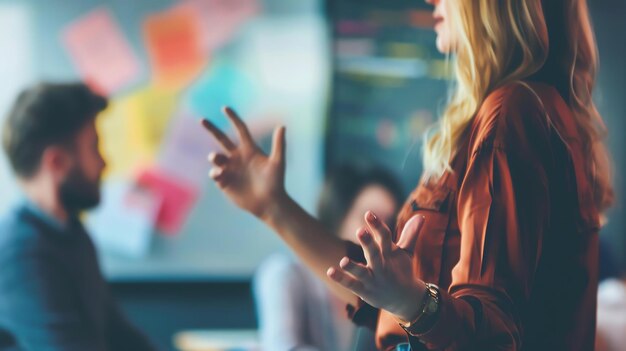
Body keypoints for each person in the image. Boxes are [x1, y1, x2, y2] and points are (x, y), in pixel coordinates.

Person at [201, 0, 613, 349]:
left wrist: (414, 302)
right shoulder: (531, 111)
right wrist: (273, 206)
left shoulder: (513, 113)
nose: (432, 0)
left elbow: (491, 333)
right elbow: (381, 293)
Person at [0, 83, 156, 351]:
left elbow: (121, 336)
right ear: (57, 162)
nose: (104, 162)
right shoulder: (19, 255)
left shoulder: (72, 234)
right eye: (94, 147)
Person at [254, 164, 404, 351]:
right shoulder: (284, 273)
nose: (381, 236)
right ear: (337, 216)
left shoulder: (389, 300)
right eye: (370, 220)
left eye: (390, 225)